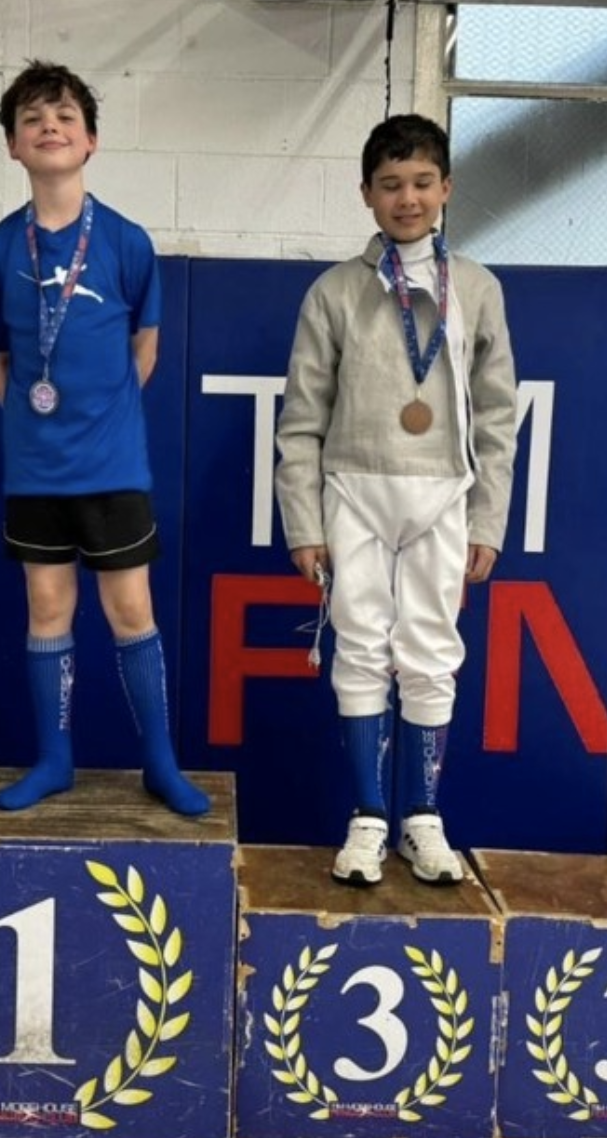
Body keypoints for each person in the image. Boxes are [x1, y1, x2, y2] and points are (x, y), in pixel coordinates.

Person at [274, 114, 517, 886]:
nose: (406, 198)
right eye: (390, 185)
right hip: (355, 486)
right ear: (366, 195)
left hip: (443, 493)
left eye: (420, 183)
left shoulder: (476, 288)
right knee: (360, 646)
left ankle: (423, 818)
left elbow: (498, 413)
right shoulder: (336, 292)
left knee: (430, 653)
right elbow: (303, 417)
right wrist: (304, 523)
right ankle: (369, 815)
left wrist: (488, 519)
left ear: (445, 188)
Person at [0, 60, 208, 817]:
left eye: (66, 115)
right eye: (33, 117)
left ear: (92, 141)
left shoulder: (128, 243)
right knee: (47, 609)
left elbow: (147, 345)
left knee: (131, 612)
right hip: (34, 470)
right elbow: (1, 359)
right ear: (13, 145)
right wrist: (34, 422)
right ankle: (54, 760)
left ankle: (161, 765)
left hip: (112, 467)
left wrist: (104, 416)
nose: (50, 126)